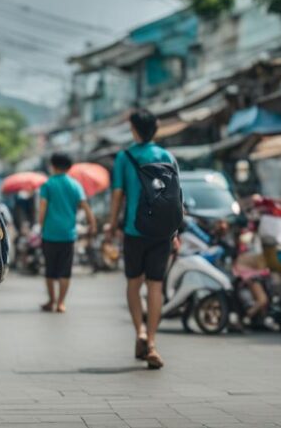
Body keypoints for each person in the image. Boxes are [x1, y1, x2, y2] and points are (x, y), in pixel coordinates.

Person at [106, 108, 180, 370]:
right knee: (156, 286)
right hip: (162, 233)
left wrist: (112, 225)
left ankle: (139, 331)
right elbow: (175, 197)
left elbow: (117, 195)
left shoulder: (125, 157)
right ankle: (152, 341)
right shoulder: (167, 155)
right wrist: (175, 232)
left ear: (134, 129)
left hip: (134, 230)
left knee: (134, 283)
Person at [37, 152, 97, 313]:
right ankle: (61, 303)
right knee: (65, 270)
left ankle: (51, 300)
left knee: (50, 269)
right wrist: (92, 223)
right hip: (68, 234)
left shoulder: (48, 185)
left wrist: (40, 225)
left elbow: (42, 209)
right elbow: (85, 206)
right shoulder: (75, 185)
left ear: (53, 166)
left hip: (50, 234)